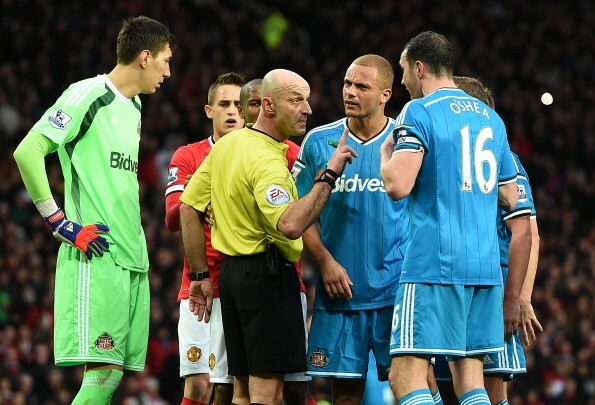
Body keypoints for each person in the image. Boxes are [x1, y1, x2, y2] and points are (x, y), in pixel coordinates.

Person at [12, 16, 175, 403]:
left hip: (132, 257)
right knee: (102, 374)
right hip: (97, 254)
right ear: (145, 57)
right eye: (166, 61)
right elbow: (27, 151)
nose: (169, 72)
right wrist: (59, 222)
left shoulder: (134, 106)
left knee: (112, 376)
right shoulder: (87, 94)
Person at [179, 69, 357, 405]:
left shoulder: (228, 144)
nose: (307, 109)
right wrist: (329, 175)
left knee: (242, 391)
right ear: (268, 106)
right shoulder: (266, 160)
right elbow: (290, 225)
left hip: (231, 278)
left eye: (306, 99)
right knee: (268, 392)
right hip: (266, 278)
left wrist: (201, 275)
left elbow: (189, 207)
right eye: (296, 100)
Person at [379, 32, 531, 405]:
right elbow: (514, 202)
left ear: (419, 67)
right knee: (470, 378)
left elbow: (398, 185)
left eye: (402, 71)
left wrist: (385, 157)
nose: (401, 82)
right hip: (484, 269)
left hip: (434, 264)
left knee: (405, 376)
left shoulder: (419, 110)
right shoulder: (493, 120)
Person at [292, 54, 407, 405]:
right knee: (343, 394)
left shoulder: (407, 142)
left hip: (397, 293)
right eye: (347, 83)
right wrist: (324, 261)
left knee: (414, 385)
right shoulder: (317, 141)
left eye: (362, 86)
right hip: (340, 292)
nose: (350, 92)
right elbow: (299, 213)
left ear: (386, 94)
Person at [433, 77, 543, 405]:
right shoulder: (442, 155)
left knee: (491, 390)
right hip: (447, 283)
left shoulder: (503, 157)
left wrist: (521, 297)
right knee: (446, 386)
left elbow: (529, 233)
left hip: (492, 287)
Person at [164, 72, 245, 405]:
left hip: (243, 282)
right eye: (224, 104)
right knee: (198, 386)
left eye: (239, 105)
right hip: (199, 285)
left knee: (232, 387)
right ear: (208, 110)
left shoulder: (261, 154)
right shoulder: (188, 155)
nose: (232, 112)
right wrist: (201, 202)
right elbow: (172, 217)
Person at [238, 77, 313, 405]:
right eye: (250, 105)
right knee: (240, 387)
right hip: (251, 274)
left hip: (283, 274)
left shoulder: (294, 153)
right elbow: (180, 212)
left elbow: (305, 217)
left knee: (291, 385)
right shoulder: (231, 150)